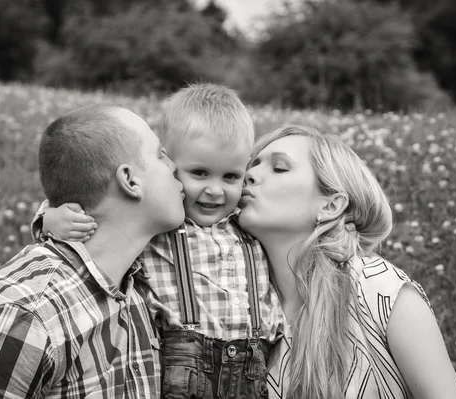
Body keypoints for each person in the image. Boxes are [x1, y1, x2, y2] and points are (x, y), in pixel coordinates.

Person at [34, 84, 286, 398]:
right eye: (199, 173)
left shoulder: (247, 224)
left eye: (230, 177)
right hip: (181, 371)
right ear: (167, 163)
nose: (215, 191)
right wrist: (51, 217)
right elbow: (101, 212)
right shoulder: (161, 224)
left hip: (252, 370)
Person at [0, 105, 185, 398]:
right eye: (160, 155)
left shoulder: (135, 287)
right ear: (130, 181)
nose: (175, 166)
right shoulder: (24, 319)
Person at [238, 125, 456, 398]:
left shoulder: (381, 291)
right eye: (251, 165)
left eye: (279, 168)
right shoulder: (240, 304)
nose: (249, 175)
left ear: (330, 206)